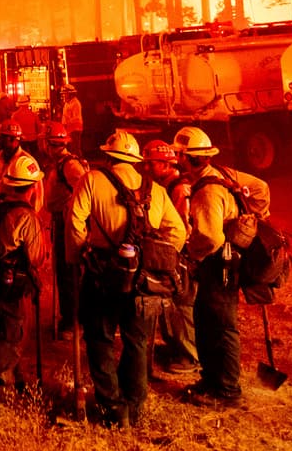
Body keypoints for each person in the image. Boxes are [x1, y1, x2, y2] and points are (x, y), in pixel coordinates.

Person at [67, 130, 185, 427]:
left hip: (102, 275)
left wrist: (78, 254)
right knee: (137, 341)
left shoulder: (92, 180)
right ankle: (135, 405)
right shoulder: (154, 190)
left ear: (108, 156)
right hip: (144, 281)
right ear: (134, 161)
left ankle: (112, 409)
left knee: (100, 339)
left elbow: (74, 221)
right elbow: (179, 233)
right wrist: (156, 258)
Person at [172, 125, 270, 409]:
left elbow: (210, 238)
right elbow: (262, 188)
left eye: (180, 155)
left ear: (190, 158)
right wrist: (256, 215)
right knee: (205, 320)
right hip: (230, 257)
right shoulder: (225, 174)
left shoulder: (207, 192)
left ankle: (227, 390)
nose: (177, 160)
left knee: (221, 325)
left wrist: (191, 255)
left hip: (219, 263)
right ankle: (211, 380)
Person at [0, 151, 47, 402]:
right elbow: (36, 257)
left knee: (6, 328)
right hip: (14, 283)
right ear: (31, 187)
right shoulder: (26, 217)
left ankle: (15, 378)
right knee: (14, 333)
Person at [140, 140, 199, 375]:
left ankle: (189, 356)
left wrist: (166, 254)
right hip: (170, 252)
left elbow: (181, 228)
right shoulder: (164, 185)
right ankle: (175, 348)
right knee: (168, 304)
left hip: (179, 253)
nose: (145, 169)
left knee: (181, 305)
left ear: (166, 164)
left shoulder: (178, 188)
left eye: (150, 164)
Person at [40, 121, 87, 340]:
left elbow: (83, 190)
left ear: (51, 144)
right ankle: (70, 317)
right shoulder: (59, 163)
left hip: (67, 223)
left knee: (69, 274)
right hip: (61, 221)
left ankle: (73, 322)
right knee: (63, 272)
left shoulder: (69, 165)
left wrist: (72, 214)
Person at [0, 120, 41, 212]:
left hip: (20, 215)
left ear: (12, 139)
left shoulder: (28, 163)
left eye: (2, 137)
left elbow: (38, 197)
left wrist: (30, 218)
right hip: (3, 212)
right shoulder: (1, 156)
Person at [61, 87, 84, 155]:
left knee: (75, 149)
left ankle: (79, 163)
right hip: (69, 130)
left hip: (75, 130)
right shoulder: (67, 103)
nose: (63, 95)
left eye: (65, 94)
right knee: (70, 149)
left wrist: (67, 122)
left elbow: (76, 118)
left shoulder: (76, 103)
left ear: (71, 94)